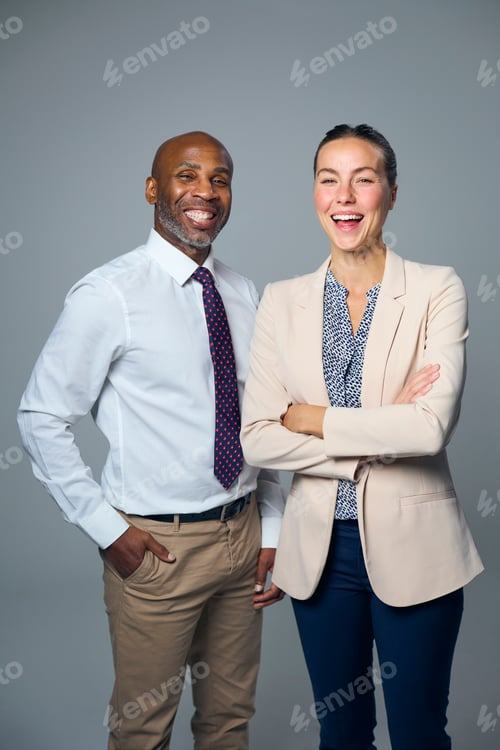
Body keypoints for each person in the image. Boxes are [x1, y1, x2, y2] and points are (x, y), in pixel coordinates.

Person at [17, 130, 285, 750]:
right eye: (186, 176)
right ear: (152, 190)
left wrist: (270, 528)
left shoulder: (244, 294)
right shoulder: (110, 294)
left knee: (229, 721)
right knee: (143, 729)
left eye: (220, 179)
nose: (205, 192)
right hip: (156, 549)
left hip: (242, 539)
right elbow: (40, 417)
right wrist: (107, 531)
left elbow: (263, 421)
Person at [241, 124, 483, 750]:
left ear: (391, 193)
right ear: (315, 193)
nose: (344, 196)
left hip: (418, 545)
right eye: (329, 179)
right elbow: (258, 440)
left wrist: (314, 417)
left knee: (418, 730)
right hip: (319, 555)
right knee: (341, 731)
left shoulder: (437, 287)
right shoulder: (282, 300)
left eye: (363, 179)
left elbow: (428, 428)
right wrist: (382, 425)